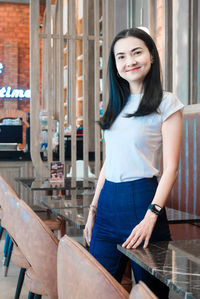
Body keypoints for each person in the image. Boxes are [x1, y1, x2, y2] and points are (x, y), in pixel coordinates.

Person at [84, 28, 184, 298]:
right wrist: (93, 209)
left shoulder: (167, 102)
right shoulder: (115, 105)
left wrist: (151, 216)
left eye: (136, 52)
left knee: (149, 293)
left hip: (143, 202)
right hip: (107, 206)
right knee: (97, 289)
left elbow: (171, 168)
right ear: (115, 66)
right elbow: (110, 161)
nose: (130, 61)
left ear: (151, 55)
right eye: (121, 56)